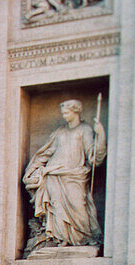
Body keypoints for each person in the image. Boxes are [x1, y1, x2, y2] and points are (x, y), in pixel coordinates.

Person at [22, 98, 107, 253]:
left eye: (67, 112)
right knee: (56, 208)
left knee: (78, 206)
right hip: (54, 174)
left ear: (76, 112)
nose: (65, 115)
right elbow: (46, 152)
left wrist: (100, 135)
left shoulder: (85, 130)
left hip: (75, 175)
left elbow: (93, 157)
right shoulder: (60, 132)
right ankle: (60, 238)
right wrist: (34, 168)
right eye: (63, 113)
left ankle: (82, 239)